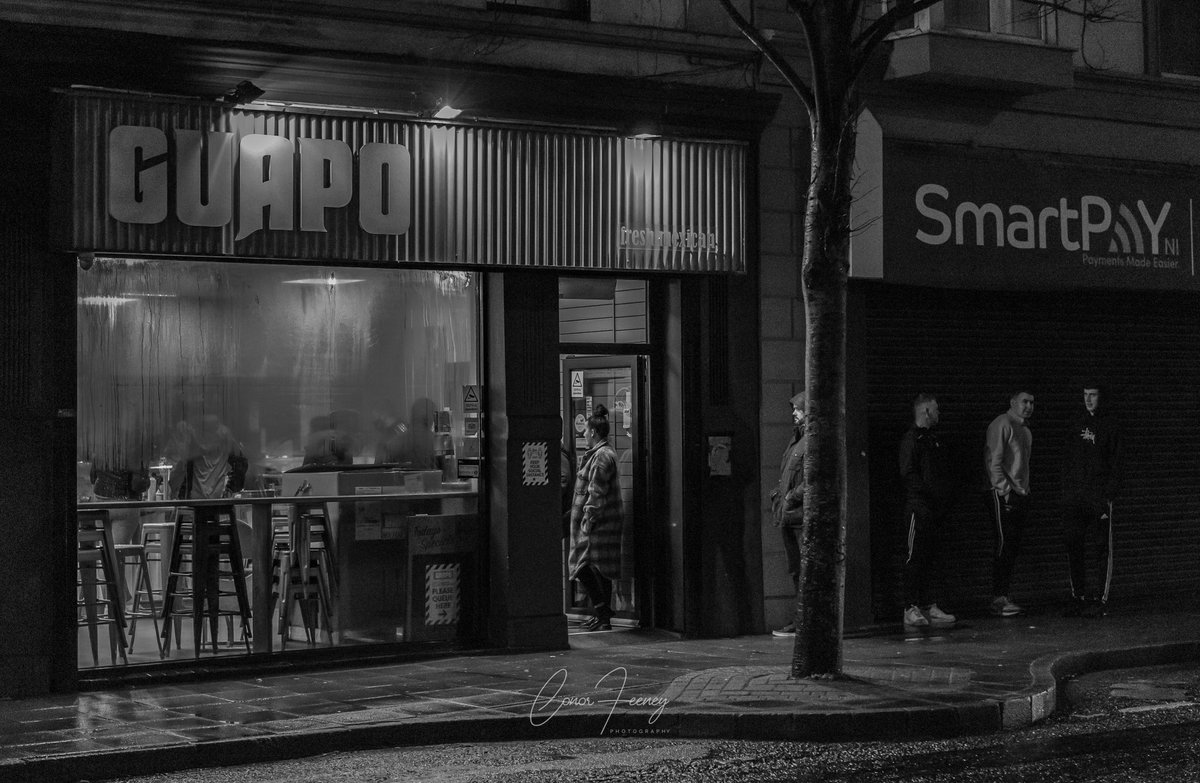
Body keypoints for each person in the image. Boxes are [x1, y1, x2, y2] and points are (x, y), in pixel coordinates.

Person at [1061, 383, 1123, 618]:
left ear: (1101, 397)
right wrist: (1066, 491)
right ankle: (1078, 595)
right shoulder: (1076, 422)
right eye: (1085, 395)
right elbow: (1067, 458)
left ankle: (1101, 598)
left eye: (1093, 395)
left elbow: (1117, 462)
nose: (1088, 400)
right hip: (1075, 497)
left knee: (1101, 548)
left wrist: (1109, 494)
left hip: (1098, 497)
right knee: (1074, 544)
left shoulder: (1111, 425)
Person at [898, 393, 957, 627]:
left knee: (931, 558)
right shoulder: (911, 440)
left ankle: (928, 604)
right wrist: (926, 496)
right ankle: (910, 607)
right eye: (936, 409)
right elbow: (908, 473)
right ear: (926, 412)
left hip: (934, 509)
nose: (939, 413)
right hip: (918, 508)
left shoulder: (933, 439)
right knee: (914, 557)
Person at [566, 404, 624, 632]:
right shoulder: (601, 454)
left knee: (582, 566)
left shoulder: (601, 457)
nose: (583, 435)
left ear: (593, 432)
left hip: (597, 524)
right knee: (601, 569)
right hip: (601, 522)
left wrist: (588, 519)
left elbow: (596, 492)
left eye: (586, 431)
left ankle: (602, 612)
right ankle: (602, 615)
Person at [985, 389, 1035, 617]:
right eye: (1024, 402)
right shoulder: (1002, 424)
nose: (1028, 406)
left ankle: (1003, 595)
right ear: (1013, 402)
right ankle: (998, 598)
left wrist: (1024, 491)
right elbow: (993, 460)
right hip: (1005, 495)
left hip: (1020, 494)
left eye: (1032, 403)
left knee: (1012, 546)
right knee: (1004, 544)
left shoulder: (1025, 431)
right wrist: (1004, 490)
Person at [769, 392, 807, 637]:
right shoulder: (796, 440)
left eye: (798, 409)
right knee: (797, 570)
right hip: (790, 514)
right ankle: (801, 618)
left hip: (799, 515)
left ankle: (804, 620)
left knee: (804, 569)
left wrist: (791, 496)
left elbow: (811, 480)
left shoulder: (808, 441)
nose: (794, 413)